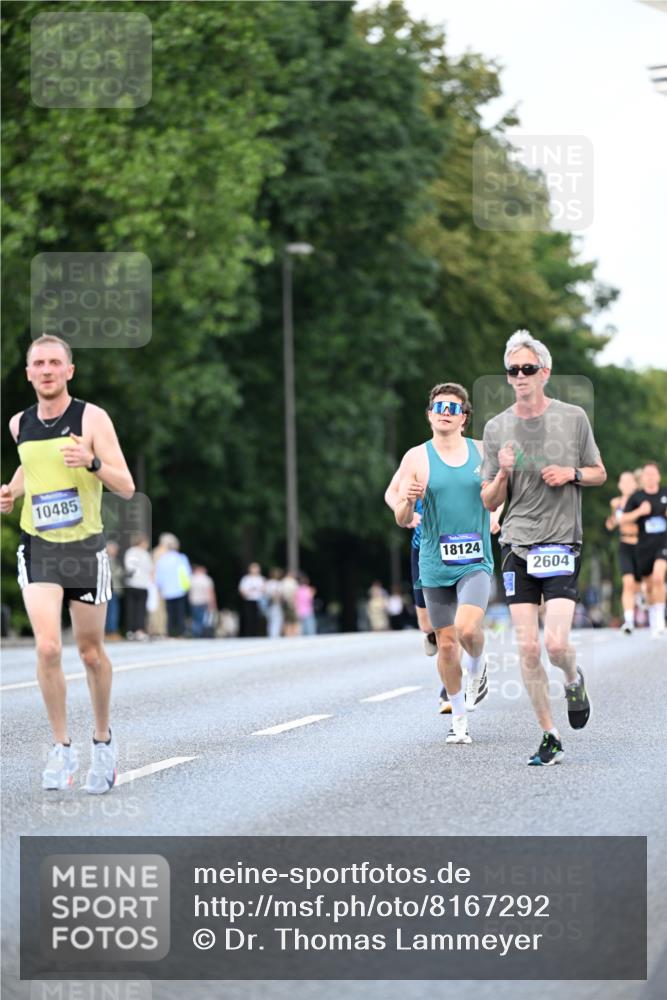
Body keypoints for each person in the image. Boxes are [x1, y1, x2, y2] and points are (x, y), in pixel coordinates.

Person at [0, 334, 134, 793]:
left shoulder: (91, 418)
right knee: (49, 648)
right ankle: (61, 748)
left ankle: (103, 742)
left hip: (85, 550)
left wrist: (91, 461)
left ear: (69, 371)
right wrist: (11, 491)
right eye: (39, 363)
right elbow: (29, 467)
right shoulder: (20, 423)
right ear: (29, 373)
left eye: (56, 362)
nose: (47, 369)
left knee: (91, 653)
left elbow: (127, 486)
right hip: (40, 548)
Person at [481, 329, 606, 766]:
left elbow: (599, 473)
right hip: (516, 543)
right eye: (512, 370)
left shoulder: (572, 419)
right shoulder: (496, 427)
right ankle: (549, 735)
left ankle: (573, 678)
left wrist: (570, 473)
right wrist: (502, 473)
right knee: (528, 648)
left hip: (561, 543)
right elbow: (489, 501)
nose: (519, 376)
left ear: (544, 372)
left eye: (527, 369)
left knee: (554, 645)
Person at [395, 382, 494, 745]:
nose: (444, 413)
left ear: (464, 418)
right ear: (429, 414)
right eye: (439, 407)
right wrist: (407, 503)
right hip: (434, 563)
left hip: (475, 559)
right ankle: (459, 721)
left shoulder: (483, 452)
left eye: (452, 408)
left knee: (468, 630)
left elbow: (499, 495)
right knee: (447, 643)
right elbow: (402, 516)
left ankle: (480, 665)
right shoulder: (416, 457)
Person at [620, 460, 667, 639]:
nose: (650, 477)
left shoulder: (665, 494)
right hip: (644, 547)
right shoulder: (637, 497)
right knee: (648, 587)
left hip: (663, 544)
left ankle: (660, 620)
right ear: (643, 477)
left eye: (653, 474)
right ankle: (654, 618)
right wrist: (639, 512)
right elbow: (622, 519)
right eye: (646, 474)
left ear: (658, 476)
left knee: (658, 577)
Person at [604, 471, 641, 634]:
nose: (626, 484)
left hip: (642, 545)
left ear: (635, 484)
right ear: (619, 485)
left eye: (629, 481)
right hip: (625, 544)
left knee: (640, 585)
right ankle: (629, 621)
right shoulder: (615, 502)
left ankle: (642, 600)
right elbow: (612, 523)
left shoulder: (641, 501)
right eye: (623, 481)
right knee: (628, 583)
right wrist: (612, 522)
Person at [154, 533, 191, 637]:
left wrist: (160, 587)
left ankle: (170, 632)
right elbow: (187, 572)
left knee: (170, 613)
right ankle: (181, 632)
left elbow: (159, 576)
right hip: (180, 589)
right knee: (180, 612)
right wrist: (187, 585)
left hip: (167, 590)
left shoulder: (162, 560)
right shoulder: (181, 558)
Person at [123, 533, 153, 640]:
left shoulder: (129, 552)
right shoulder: (145, 554)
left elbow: (128, 567)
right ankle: (139, 630)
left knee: (131, 608)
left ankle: (130, 631)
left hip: (131, 584)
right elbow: (150, 569)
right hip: (142, 584)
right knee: (140, 609)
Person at [238, 562, 265, 637]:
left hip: (258, 600)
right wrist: (250, 591)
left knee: (256, 617)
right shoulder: (246, 579)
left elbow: (264, 589)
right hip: (248, 600)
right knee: (248, 617)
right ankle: (248, 634)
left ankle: (255, 633)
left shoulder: (261, 578)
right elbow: (242, 590)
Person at [189, 565, 217, 638]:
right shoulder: (206, 579)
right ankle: (202, 634)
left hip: (193, 602)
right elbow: (210, 592)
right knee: (203, 619)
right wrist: (212, 603)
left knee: (195, 619)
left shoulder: (191, 579)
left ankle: (196, 634)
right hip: (204, 601)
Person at [104, 540, 124, 640]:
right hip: (111, 589)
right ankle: (111, 632)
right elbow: (114, 573)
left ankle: (110, 631)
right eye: (114, 549)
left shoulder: (112, 559)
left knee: (111, 610)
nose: (116, 551)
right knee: (112, 611)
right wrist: (121, 571)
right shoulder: (108, 559)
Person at [264, 568, 285, 638]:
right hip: (271, 604)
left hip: (278, 604)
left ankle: (276, 634)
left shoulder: (280, 583)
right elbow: (267, 593)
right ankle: (272, 634)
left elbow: (282, 594)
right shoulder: (269, 583)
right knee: (272, 619)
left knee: (278, 618)